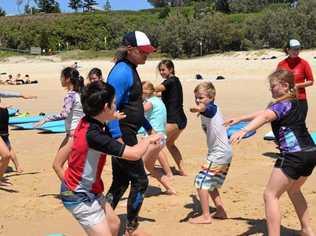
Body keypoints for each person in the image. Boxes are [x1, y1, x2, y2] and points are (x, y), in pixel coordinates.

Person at [53, 81, 164, 236]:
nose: (115, 107)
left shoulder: (86, 121)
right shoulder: (96, 137)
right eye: (113, 104)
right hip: (79, 197)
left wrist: (112, 117)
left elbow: (56, 164)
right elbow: (134, 154)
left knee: (114, 224)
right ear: (105, 107)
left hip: (91, 192)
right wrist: (148, 139)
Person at [227, 70, 316, 236]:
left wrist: (244, 130)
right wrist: (240, 119)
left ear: (285, 85)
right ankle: (306, 230)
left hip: (293, 155)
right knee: (294, 190)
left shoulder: (281, 105)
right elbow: (265, 113)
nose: (271, 89)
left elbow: (266, 117)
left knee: (270, 195)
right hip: (310, 152)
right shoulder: (294, 102)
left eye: (273, 86)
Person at [105, 31, 157, 235]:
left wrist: (148, 127)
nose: (147, 55)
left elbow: (134, 105)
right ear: (130, 50)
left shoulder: (131, 68)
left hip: (128, 132)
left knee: (120, 181)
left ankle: (102, 216)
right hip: (123, 134)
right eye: (143, 51)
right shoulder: (121, 72)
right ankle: (131, 227)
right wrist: (117, 138)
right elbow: (111, 105)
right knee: (140, 181)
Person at [188, 82, 232, 224]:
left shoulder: (211, 108)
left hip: (219, 153)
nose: (198, 100)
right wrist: (200, 108)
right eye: (196, 98)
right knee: (211, 185)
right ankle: (221, 211)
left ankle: (206, 216)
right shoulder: (210, 109)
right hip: (223, 152)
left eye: (201, 97)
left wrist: (198, 108)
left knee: (201, 183)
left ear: (212, 97)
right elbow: (203, 107)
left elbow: (204, 107)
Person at [34, 67, 84, 148]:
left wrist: (46, 119)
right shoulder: (80, 93)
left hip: (72, 135)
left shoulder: (70, 96)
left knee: (58, 161)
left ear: (67, 79)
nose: (61, 80)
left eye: (62, 77)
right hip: (80, 132)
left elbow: (64, 115)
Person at [140, 81, 175, 194]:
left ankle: (137, 193)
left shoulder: (150, 102)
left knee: (138, 166)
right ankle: (170, 188)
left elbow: (138, 111)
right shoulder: (158, 101)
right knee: (150, 168)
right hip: (161, 137)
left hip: (153, 138)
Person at [155, 59, 187, 176]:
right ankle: (182, 170)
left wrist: (142, 88)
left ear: (171, 69)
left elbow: (157, 88)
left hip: (173, 119)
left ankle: (168, 172)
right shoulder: (175, 82)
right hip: (181, 120)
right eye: (160, 70)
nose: (162, 72)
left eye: (163, 70)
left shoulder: (171, 81)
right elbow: (160, 93)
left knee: (156, 143)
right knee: (170, 144)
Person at [0, 91, 37, 182]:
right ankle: (18, 166)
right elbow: (5, 94)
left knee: (6, 144)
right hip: (3, 112)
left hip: (2, 113)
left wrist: (21, 95)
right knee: (6, 145)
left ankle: (17, 166)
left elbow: (5, 94)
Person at [277, 39, 314, 120]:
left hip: (300, 100)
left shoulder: (304, 63)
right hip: (285, 100)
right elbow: (277, 81)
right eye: (294, 49)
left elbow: (311, 81)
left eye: (298, 49)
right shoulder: (281, 64)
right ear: (288, 49)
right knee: (286, 125)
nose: (296, 51)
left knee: (300, 126)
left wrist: (297, 85)